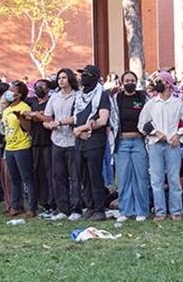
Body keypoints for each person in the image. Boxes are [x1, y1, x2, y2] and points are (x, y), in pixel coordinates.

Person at [140, 71, 183, 220]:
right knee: (156, 179)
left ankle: (176, 211)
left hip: (173, 146)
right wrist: (156, 133)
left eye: (160, 81)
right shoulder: (151, 104)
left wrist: (178, 134)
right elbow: (142, 124)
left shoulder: (178, 103)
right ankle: (160, 211)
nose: (157, 84)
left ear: (168, 84)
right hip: (155, 145)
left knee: (174, 178)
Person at [73, 65, 113, 221]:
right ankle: (89, 206)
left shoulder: (102, 96)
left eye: (86, 75)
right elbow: (75, 117)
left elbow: (102, 120)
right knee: (83, 176)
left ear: (95, 77)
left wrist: (81, 129)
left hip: (94, 141)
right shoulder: (79, 96)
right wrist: (75, 129)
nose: (83, 78)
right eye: (82, 75)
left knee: (95, 175)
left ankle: (99, 208)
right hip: (80, 141)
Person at [44, 68, 83, 221]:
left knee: (74, 176)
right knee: (58, 176)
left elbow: (77, 117)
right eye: (59, 78)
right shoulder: (54, 98)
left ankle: (76, 208)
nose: (61, 80)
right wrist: (49, 125)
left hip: (72, 140)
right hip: (57, 140)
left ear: (70, 79)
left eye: (64, 78)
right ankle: (62, 208)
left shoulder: (78, 97)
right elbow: (47, 119)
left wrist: (60, 122)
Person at [114, 71, 150, 221]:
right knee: (123, 178)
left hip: (139, 142)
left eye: (132, 80)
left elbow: (149, 118)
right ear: (122, 83)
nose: (130, 82)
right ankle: (125, 211)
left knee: (141, 178)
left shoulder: (142, 97)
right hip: (122, 143)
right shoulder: (117, 98)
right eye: (127, 80)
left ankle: (142, 211)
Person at [1, 82, 37, 217]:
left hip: (22, 146)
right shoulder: (6, 110)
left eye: (12, 90)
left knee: (27, 178)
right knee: (14, 179)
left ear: (19, 94)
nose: (9, 92)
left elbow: (29, 128)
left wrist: (21, 118)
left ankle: (31, 208)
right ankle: (16, 206)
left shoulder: (24, 107)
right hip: (9, 147)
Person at [26, 79, 56, 218]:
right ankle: (42, 202)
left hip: (49, 142)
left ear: (48, 89)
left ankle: (52, 202)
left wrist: (38, 116)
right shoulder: (32, 102)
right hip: (35, 142)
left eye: (42, 87)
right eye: (37, 86)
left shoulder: (52, 102)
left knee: (50, 174)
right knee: (38, 173)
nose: (39, 89)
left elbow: (49, 119)